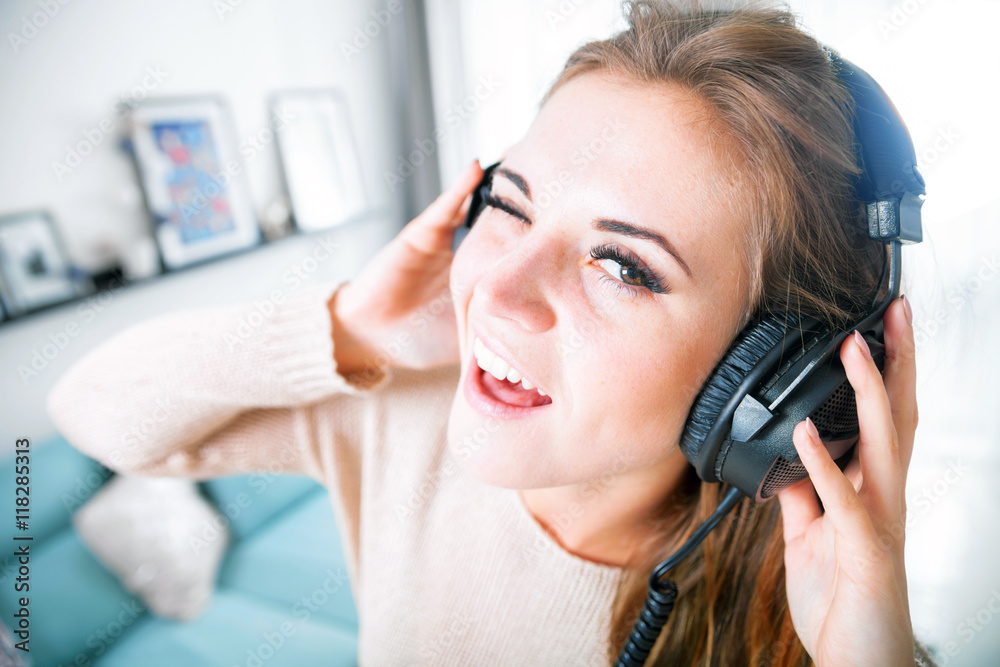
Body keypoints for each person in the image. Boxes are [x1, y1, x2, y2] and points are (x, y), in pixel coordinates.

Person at [48, 1, 938, 665]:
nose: (498, 294)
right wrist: (346, 325)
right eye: (508, 206)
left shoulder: (810, 612)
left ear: (774, 378)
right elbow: (90, 410)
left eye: (623, 266)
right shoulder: (397, 409)